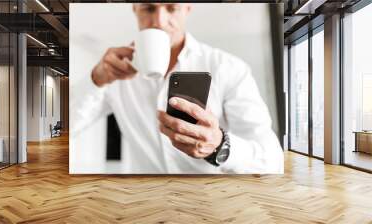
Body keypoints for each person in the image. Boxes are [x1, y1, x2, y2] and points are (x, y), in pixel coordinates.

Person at [79, 3, 283, 174]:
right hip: (143, 203)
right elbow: (69, 128)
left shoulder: (227, 68)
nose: (159, 21)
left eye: (172, 8)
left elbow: (271, 159)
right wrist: (95, 79)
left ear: (187, 8)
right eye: (149, 8)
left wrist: (219, 145)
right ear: (134, 9)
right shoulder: (113, 72)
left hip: (209, 205)